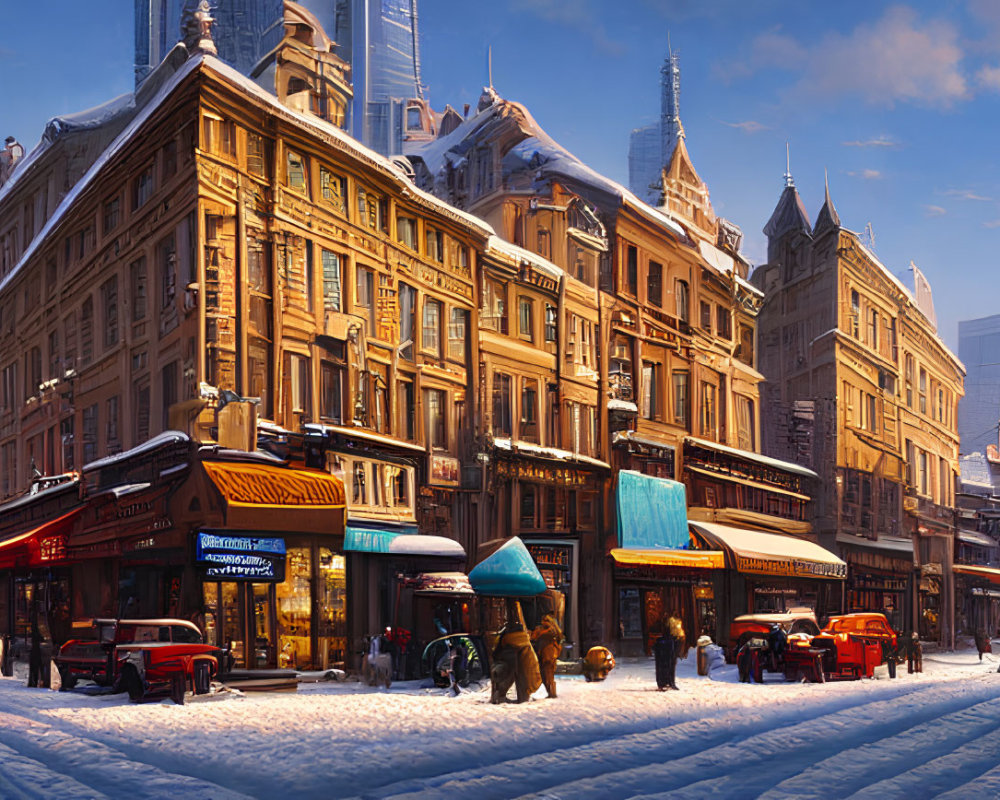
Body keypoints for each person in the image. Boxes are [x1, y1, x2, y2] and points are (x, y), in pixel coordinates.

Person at [530, 613, 563, 698]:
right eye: (543, 620)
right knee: (545, 675)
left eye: (546, 620)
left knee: (548, 674)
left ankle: (552, 693)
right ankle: (550, 692)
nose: (544, 622)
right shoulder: (540, 629)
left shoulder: (554, 630)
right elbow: (533, 637)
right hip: (543, 654)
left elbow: (560, 639)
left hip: (549, 655)